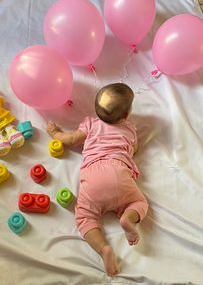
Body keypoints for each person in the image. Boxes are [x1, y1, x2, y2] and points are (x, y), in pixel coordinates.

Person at [47, 83, 148, 276]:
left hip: (93, 176)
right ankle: (128, 218)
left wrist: (54, 133)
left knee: (85, 217)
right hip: (119, 171)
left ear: (96, 109)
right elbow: (133, 150)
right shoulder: (129, 129)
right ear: (126, 115)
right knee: (139, 202)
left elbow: (70, 140)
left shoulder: (90, 124)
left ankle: (103, 249)